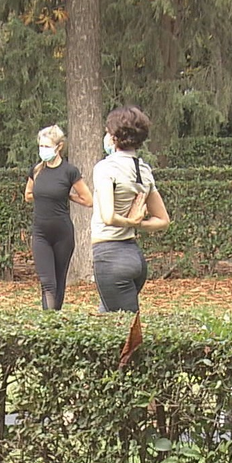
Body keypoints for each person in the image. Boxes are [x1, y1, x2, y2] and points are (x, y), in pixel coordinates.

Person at [91, 106, 170, 312]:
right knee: (106, 320)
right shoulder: (143, 169)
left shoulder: (105, 168)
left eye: (108, 132)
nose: (106, 136)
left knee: (125, 333)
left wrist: (131, 222)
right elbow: (163, 220)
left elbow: (108, 216)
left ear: (115, 137)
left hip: (110, 257)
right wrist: (139, 224)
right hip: (133, 256)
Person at [24, 125, 92, 310]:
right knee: (47, 282)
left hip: (62, 234)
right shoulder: (37, 170)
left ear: (59, 146)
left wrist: (68, 196)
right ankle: (48, 320)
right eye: (41, 146)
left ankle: (55, 321)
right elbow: (28, 194)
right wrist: (43, 195)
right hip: (40, 233)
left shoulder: (69, 171)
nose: (43, 150)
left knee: (59, 281)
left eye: (47, 146)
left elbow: (88, 200)